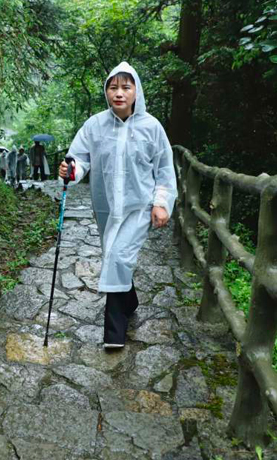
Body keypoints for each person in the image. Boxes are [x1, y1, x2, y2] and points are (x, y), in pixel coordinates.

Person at [59, 61, 177, 349]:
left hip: (139, 206)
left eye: (126, 87)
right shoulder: (95, 125)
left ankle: (113, 333)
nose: (119, 93)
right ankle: (130, 300)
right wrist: (71, 170)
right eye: (113, 87)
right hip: (106, 207)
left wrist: (161, 203)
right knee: (114, 253)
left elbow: (164, 168)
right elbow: (80, 158)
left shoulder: (152, 127)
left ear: (137, 91)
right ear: (106, 91)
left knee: (119, 257)